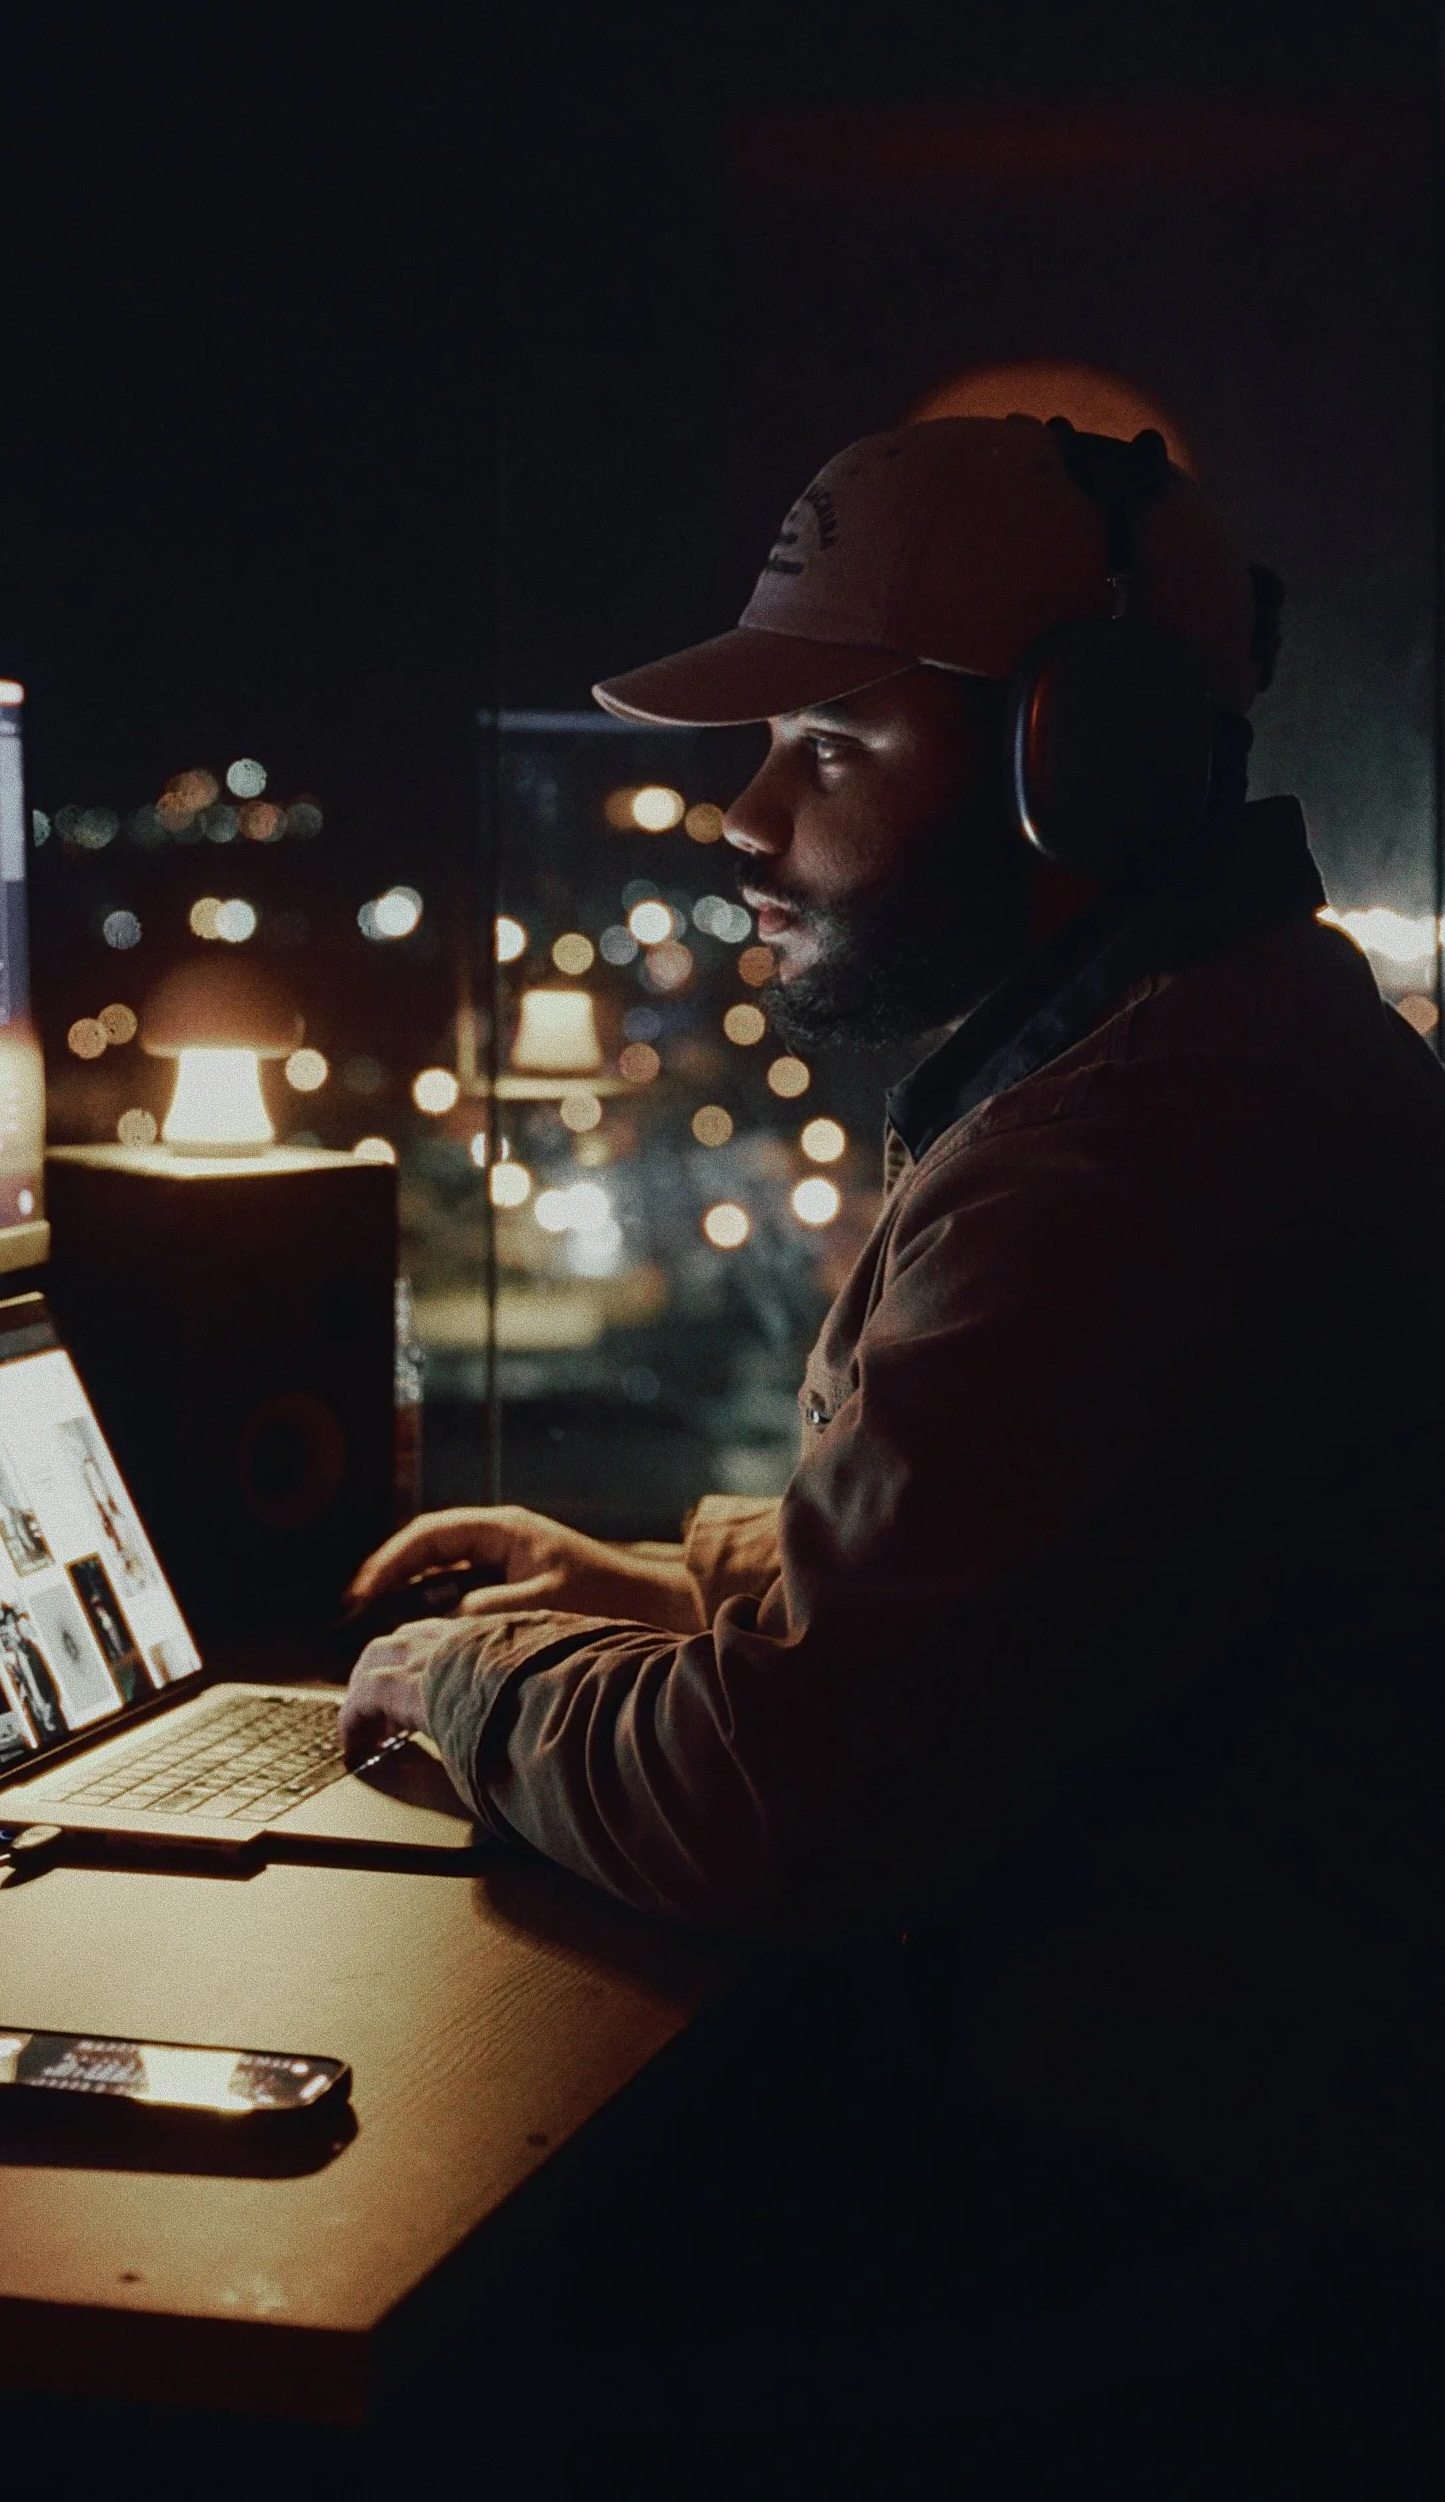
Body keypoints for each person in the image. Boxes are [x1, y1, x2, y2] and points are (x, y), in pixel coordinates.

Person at [345, 415, 1445, 2236]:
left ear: (1076, 764)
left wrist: (466, 1680)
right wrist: (680, 1590)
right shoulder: (1227, 1044)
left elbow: (779, 1806)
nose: (747, 814)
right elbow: (1044, 1596)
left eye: (831, 742)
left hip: (1153, 2215)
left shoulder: (1126, 1163)